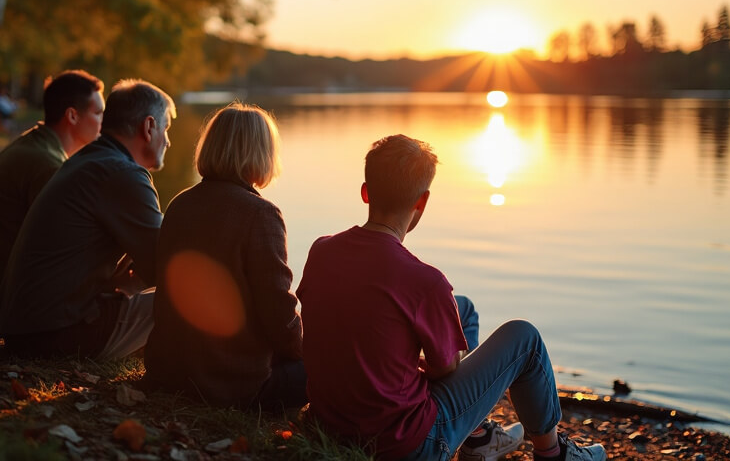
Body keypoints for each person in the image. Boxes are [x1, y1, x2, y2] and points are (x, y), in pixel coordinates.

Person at [297, 135, 607, 461]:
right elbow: (444, 370)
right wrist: (432, 364)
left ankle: (476, 439)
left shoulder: (321, 251)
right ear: (422, 201)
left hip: (330, 426)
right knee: (524, 338)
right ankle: (553, 453)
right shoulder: (425, 281)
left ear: (365, 191)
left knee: (464, 310)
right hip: (409, 444)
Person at [0, 79, 175, 360]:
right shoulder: (122, 174)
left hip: (26, 327)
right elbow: (165, 266)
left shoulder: (89, 161)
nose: (168, 140)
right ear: (149, 127)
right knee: (192, 298)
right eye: (166, 128)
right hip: (55, 334)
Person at [143, 102, 304, 411]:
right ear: (262, 154)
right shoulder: (261, 215)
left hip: (168, 373)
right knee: (325, 367)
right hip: (234, 384)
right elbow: (278, 312)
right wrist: (307, 351)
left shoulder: (179, 205)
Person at [0, 69, 104, 325]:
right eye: (97, 113)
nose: (102, 123)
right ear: (72, 115)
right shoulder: (48, 165)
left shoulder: (36, 145)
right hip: (8, 306)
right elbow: (65, 248)